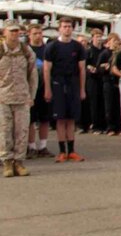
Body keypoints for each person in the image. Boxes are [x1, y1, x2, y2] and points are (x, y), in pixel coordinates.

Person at [42, 17, 87, 162]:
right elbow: (46, 69)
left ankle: (72, 150)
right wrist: (47, 89)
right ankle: (62, 151)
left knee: (71, 118)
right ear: (59, 28)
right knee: (60, 119)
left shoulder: (78, 47)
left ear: (72, 28)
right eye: (64, 26)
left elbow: (82, 69)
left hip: (73, 83)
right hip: (57, 83)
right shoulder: (52, 47)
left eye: (69, 26)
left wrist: (82, 89)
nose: (67, 29)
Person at [1, 23, 37, 177]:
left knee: (21, 131)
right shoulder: (1, 50)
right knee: (4, 131)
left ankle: (19, 162)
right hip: (3, 97)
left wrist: (31, 95)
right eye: (12, 31)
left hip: (22, 97)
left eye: (17, 31)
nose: (15, 34)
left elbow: (33, 75)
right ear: (4, 32)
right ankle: (7, 163)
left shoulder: (26, 51)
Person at [26, 25, 52, 158]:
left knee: (44, 118)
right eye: (35, 33)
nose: (38, 35)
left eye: (40, 33)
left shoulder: (47, 49)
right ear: (29, 35)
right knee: (30, 119)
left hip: (44, 88)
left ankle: (42, 146)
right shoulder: (25, 50)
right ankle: (31, 146)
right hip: (29, 89)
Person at [100, 33, 121, 135]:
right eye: (114, 41)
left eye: (117, 41)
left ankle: (118, 126)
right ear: (109, 42)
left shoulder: (119, 54)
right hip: (108, 82)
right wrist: (105, 67)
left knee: (117, 105)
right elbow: (98, 67)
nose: (116, 43)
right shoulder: (105, 53)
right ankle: (110, 127)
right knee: (109, 105)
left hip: (117, 83)